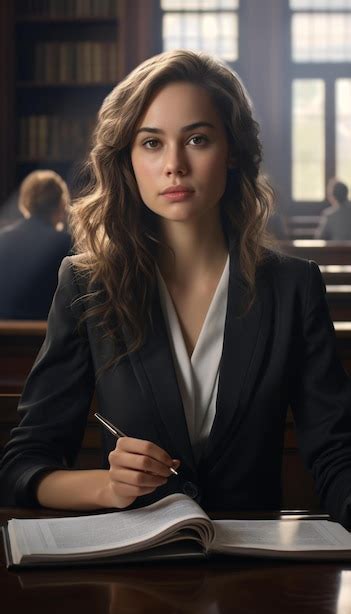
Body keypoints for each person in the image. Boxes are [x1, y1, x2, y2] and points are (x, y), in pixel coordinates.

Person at [1, 50, 351, 529]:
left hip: (259, 580)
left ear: (231, 153)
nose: (174, 165)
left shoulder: (294, 287)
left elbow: (337, 454)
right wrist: (106, 485)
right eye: (151, 143)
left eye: (198, 139)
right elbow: (23, 464)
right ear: (127, 159)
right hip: (134, 579)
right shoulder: (86, 285)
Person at [0, 170, 72, 319]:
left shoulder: (2, 239)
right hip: (46, 336)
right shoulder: (66, 243)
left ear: (25, 202)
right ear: (61, 205)